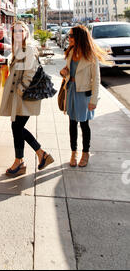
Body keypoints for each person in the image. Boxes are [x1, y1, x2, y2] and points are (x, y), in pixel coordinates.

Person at [0, 21, 54, 175]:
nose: (17, 33)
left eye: (20, 30)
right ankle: (22, 160)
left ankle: (38, 154)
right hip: (20, 96)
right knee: (16, 127)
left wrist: (21, 90)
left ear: (25, 32)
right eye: (14, 31)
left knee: (17, 127)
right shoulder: (19, 49)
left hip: (25, 95)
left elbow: (30, 71)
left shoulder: (28, 48)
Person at [60, 25, 106, 167]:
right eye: (69, 35)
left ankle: (85, 153)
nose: (69, 38)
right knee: (72, 124)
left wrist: (94, 100)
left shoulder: (91, 56)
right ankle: (74, 152)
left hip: (84, 94)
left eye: (72, 36)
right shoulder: (71, 51)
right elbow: (69, 70)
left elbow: (96, 80)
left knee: (84, 125)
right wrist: (65, 71)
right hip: (71, 90)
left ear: (79, 37)